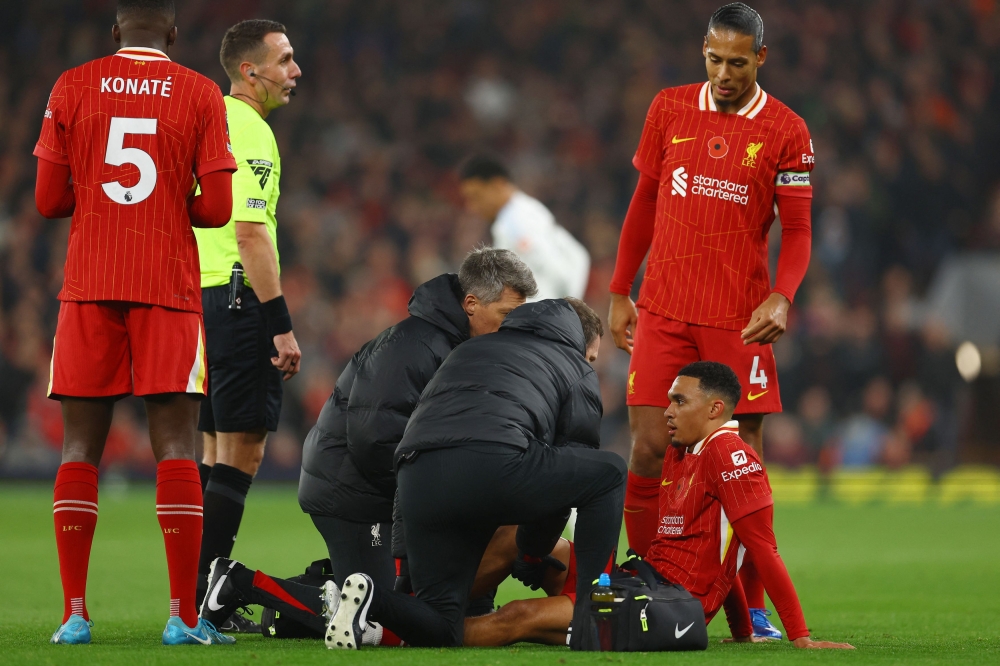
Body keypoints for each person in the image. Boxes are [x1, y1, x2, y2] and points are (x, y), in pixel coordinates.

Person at [33, 0, 237, 646]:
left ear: (115, 30)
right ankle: (181, 617)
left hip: (90, 284)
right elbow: (217, 210)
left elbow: (47, 200)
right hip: (166, 288)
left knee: (78, 450)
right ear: (173, 32)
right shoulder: (201, 93)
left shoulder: (72, 84)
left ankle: (74, 615)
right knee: (177, 445)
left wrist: (95, 191)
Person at [608, 2, 814, 638]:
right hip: (665, 307)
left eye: (736, 62)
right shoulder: (668, 107)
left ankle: (751, 607)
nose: (723, 73)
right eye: (713, 59)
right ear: (703, 52)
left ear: (760, 57)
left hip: (737, 319)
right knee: (647, 447)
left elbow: (800, 230)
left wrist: (782, 294)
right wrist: (620, 289)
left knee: (740, 463)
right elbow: (643, 202)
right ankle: (648, 576)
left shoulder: (786, 129)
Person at [327, 298, 626, 650]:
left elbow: (417, 434)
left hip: (416, 473)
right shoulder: (575, 367)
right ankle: (595, 616)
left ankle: (372, 598)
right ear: (580, 341)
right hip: (492, 463)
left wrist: (405, 569)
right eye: (591, 356)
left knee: (442, 623)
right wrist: (531, 554)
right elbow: (571, 472)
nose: (590, 365)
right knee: (611, 471)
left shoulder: (470, 347)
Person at [297, 248, 536, 605]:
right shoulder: (412, 346)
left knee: (432, 611)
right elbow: (373, 438)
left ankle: (326, 595)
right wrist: (433, 498)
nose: (512, 326)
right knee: (381, 615)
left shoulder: (465, 347)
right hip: (355, 493)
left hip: (391, 494)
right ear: (471, 303)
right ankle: (243, 584)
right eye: (506, 314)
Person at [193, 19, 303, 631]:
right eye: (284, 61)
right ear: (248, 70)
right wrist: (280, 325)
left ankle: (193, 595)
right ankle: (201, 604)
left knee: (213, 450)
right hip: (239, 303)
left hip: (200, 301)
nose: (296, 72)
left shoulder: (205, 118)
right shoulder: (248, 128)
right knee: (244, 452)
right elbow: (250, 232)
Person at [645, 361, 852, 650]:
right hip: (648, 582)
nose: (668, 411)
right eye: (670, 401)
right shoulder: (679, 452)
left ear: (714, 409)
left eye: (679, 401)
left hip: (669, 604)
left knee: (584, 612)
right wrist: (741, 631)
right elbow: (718, 554)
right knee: (562, 557)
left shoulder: (730, 456)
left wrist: (801, 637)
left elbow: (762, 549)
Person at [197, 528, 585, 646]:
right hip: (367, 486)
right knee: (385, 603)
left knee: (377, 604)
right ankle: (241, 582)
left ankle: (255, 588)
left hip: (394, 483)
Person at [459, 154, 591, 301]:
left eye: (476, 196)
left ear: (497, 185)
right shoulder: (526, 210)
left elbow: (550, 267)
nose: (472, 207)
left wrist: (563, 306)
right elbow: (578, 255)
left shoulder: (515, 221)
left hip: (540, 316)